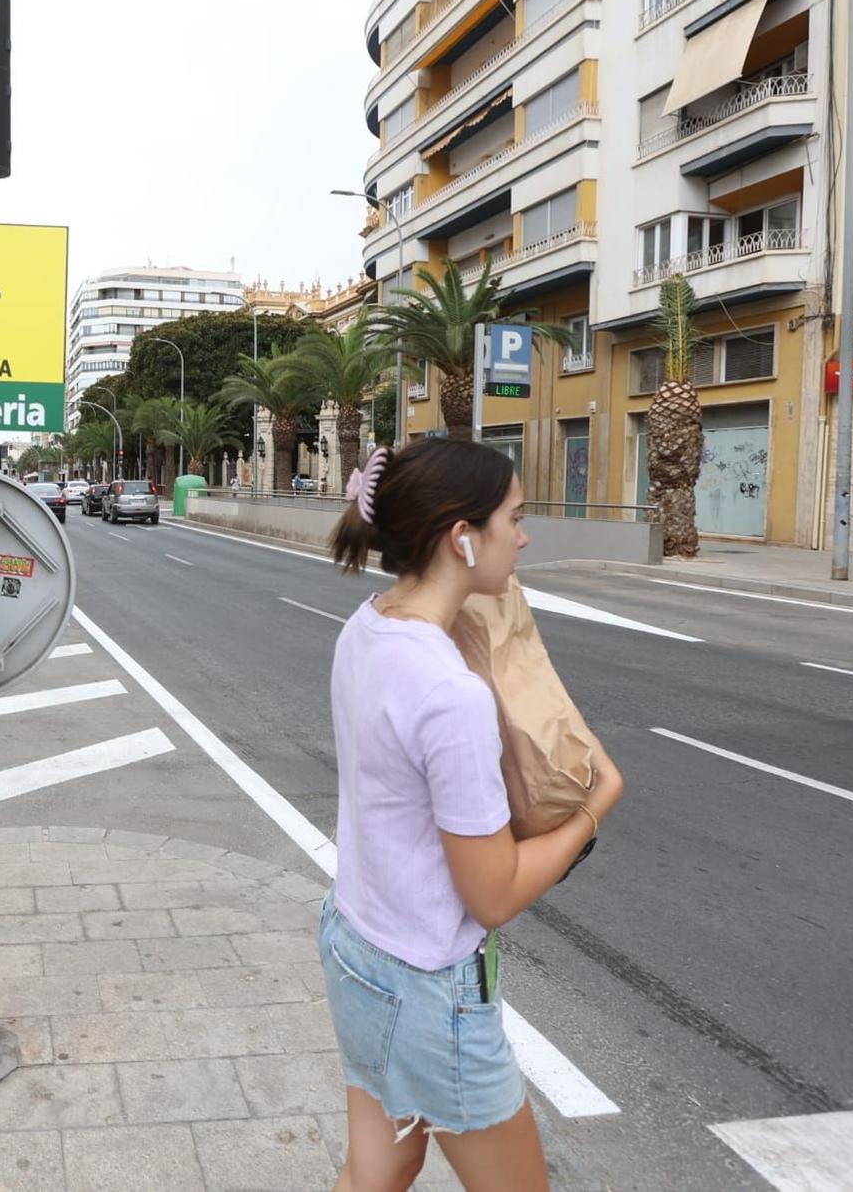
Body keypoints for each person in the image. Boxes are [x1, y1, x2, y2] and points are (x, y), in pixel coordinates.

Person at [321, 439, 622, 1192]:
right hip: (429, 986)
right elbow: (490, 893)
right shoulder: (449, 692)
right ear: (463, 537)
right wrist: (593, 808)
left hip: (356, 944)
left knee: (377, 1169)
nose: (523, 536)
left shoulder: (365, 627)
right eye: (513, 519)